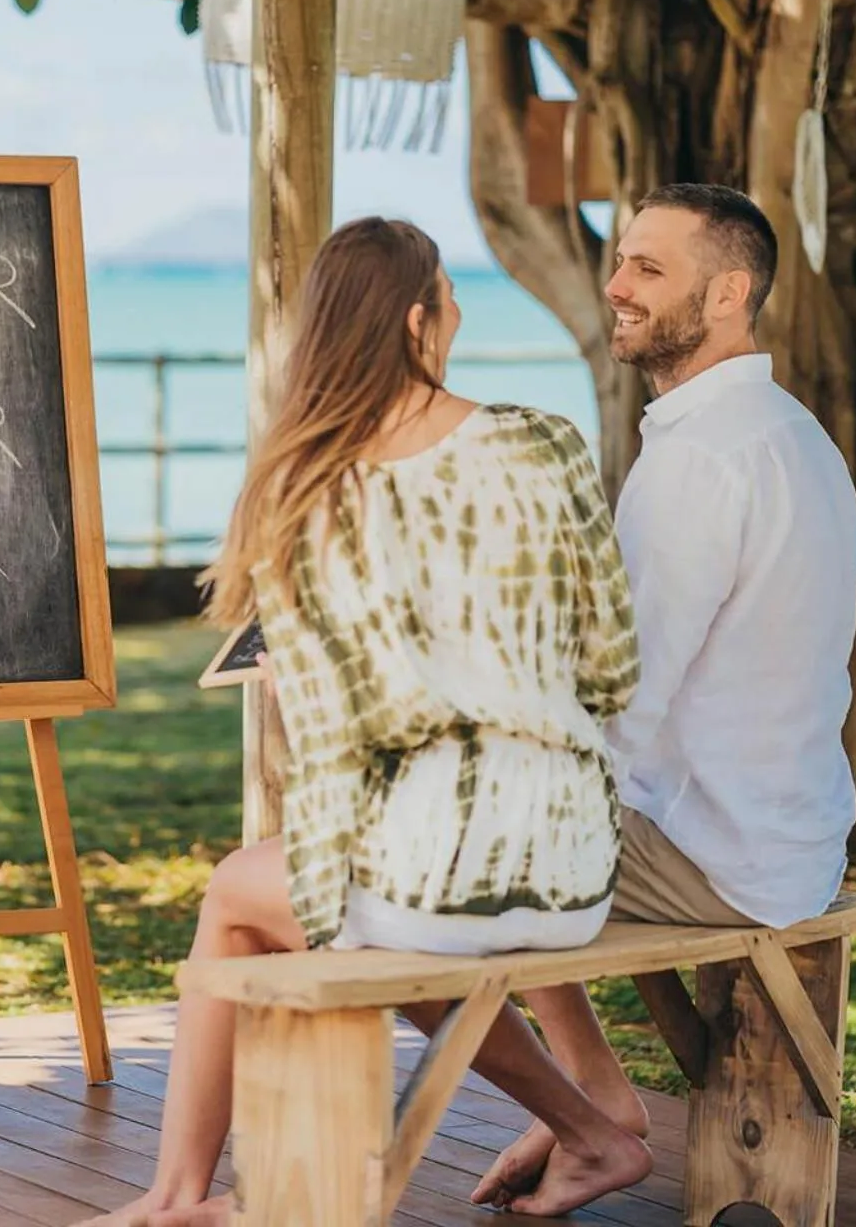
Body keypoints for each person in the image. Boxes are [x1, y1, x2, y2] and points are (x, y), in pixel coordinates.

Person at [79, 217, 652, 1227]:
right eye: (451, 296)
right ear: (421, 317)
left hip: (437, 861)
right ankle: (589, 1128)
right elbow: (614, 666)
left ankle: (176, 1193)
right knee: (369, 916)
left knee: (243, 896)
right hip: (577, 858)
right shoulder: (544, 440)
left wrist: (332, 887)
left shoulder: (302, 494)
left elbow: (327, 745)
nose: (461, 313)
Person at [472, 183, 856, 1207]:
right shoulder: (793, 434)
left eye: (648, 267)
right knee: (502, 799)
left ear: (729, 292)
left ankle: (592, 1106)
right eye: (620, 261)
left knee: (445, 838)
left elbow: (618, 697)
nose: (615, 285)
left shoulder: (702, 458)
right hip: (783, 830)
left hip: (720, 849)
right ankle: (594, 1093)